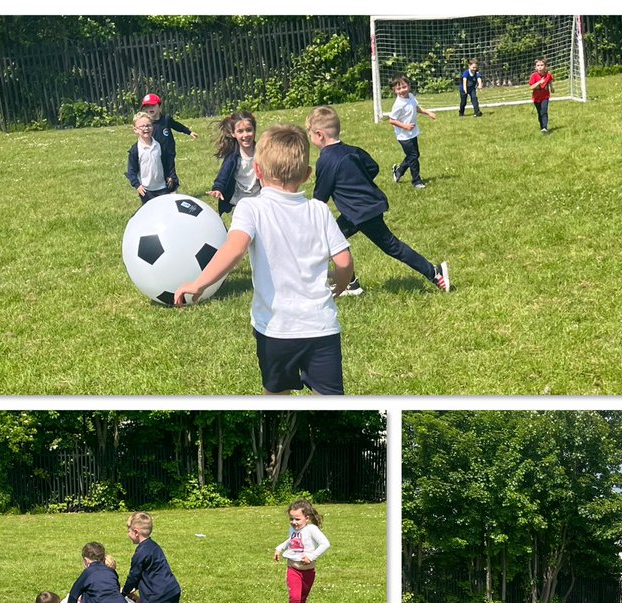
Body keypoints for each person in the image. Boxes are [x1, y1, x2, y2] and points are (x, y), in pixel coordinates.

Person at [174, 125, 353, 396]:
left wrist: (200, 284)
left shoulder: (251, 208)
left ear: (257, 171)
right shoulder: (319, 209)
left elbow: (234, 250)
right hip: (322, 328)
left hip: (275, 331)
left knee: (275, 398)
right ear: (307, 175)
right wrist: (339, 285)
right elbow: (344, 262)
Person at [306, 106, 450, 295]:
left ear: (319, 134)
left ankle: (434, 272)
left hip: (362, 213)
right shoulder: (353, 150)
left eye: (310, 135)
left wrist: (308, 211)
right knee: (332, 241)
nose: (311, 139)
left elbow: (320, 196)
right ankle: (351, 284)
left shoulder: (325, 160)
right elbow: (372, 167)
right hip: (360, 210)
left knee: (392, 246)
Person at [274, 499, 330, 603]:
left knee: (303, 598)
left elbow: (325, 544)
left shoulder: (311, 530)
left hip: (309, 572)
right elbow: (290, 540)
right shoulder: (293, 529)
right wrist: (279, 548)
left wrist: (311, 556)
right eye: (291, 519)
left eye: (297, 519)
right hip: (293, 568)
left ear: (307, 518)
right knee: (295, 597)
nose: (294, 522)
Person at [139, 91, 198, 191]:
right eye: (147, 107)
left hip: (169, 153)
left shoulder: (166, 119)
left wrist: (189, 132)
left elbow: (177, 126)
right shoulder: (147, 124)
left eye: (153, 105)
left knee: (171, 173)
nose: (150, 108)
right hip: (155, 154)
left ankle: (174, 190)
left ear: (159, 107)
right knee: (158, 172)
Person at [208, 110, 261, 217]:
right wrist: (218, 188)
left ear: (254, 130)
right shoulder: (233, 156)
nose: (245, 135)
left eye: (249, 130)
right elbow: (224, 174)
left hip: (259, 198)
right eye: (240, 131)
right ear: (233, 134)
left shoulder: (261, 152)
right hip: (239, 201)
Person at [387, 74, 437, 188]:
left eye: (404, 87)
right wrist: (405, 126)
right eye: (398, 88)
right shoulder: (398, 105)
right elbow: (392, 120)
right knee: (413, 156)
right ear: (394, 90)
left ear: (409, 86)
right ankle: (416, 181)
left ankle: (398, 172)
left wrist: (428, 113)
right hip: (403, 136)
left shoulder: (410, 96)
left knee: (414, 155)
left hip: (413, 133)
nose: (402, 90)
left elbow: (417, 108)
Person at [125, 112, 176, 204]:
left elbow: (168, 163)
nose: (146, 128)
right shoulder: (135, 150)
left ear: (153, 127)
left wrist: (170, 176)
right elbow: (131, 171)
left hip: (162, 187)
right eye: (142, 126)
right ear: (135, 129)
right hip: (146, 191)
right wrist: (137, 185)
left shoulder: (159, 146)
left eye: (149, 125)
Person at [529, 58, 554, 134]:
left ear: (545, 66)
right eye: (538, 65)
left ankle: (544, 128)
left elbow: (550, 80)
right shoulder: (534, 76)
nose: (540, 67)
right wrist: (539, 82)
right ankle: (542, 126)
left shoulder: (548, 75)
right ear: (535, 67)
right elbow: (531, 87)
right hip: (536, 98)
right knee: (540, 113)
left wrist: (551, 88)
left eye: (542, 65)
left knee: (544, 111)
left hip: (545, 96)